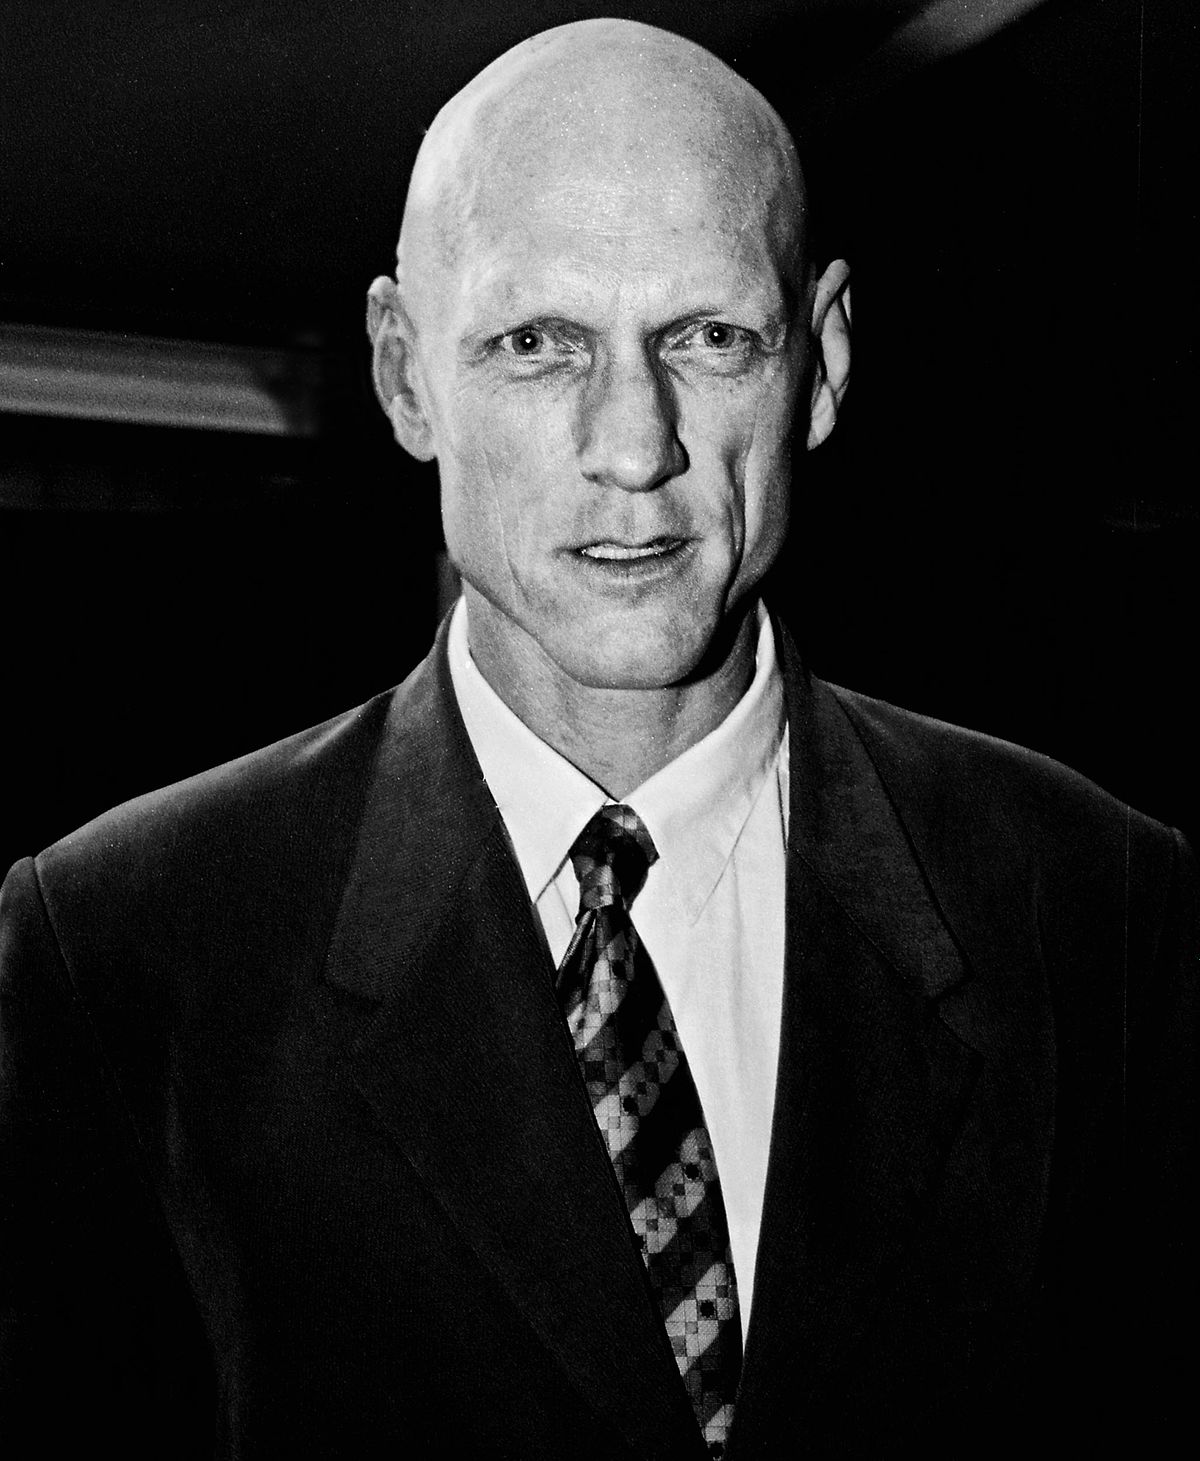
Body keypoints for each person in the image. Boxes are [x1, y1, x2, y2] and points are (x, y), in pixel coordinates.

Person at [1, 18, 1195, 1459]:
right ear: (405, 376)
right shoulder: (120, 949)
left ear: (821, 363)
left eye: (710, 337)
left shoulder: (1095, 906)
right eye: (535, 343)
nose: (634, 448)